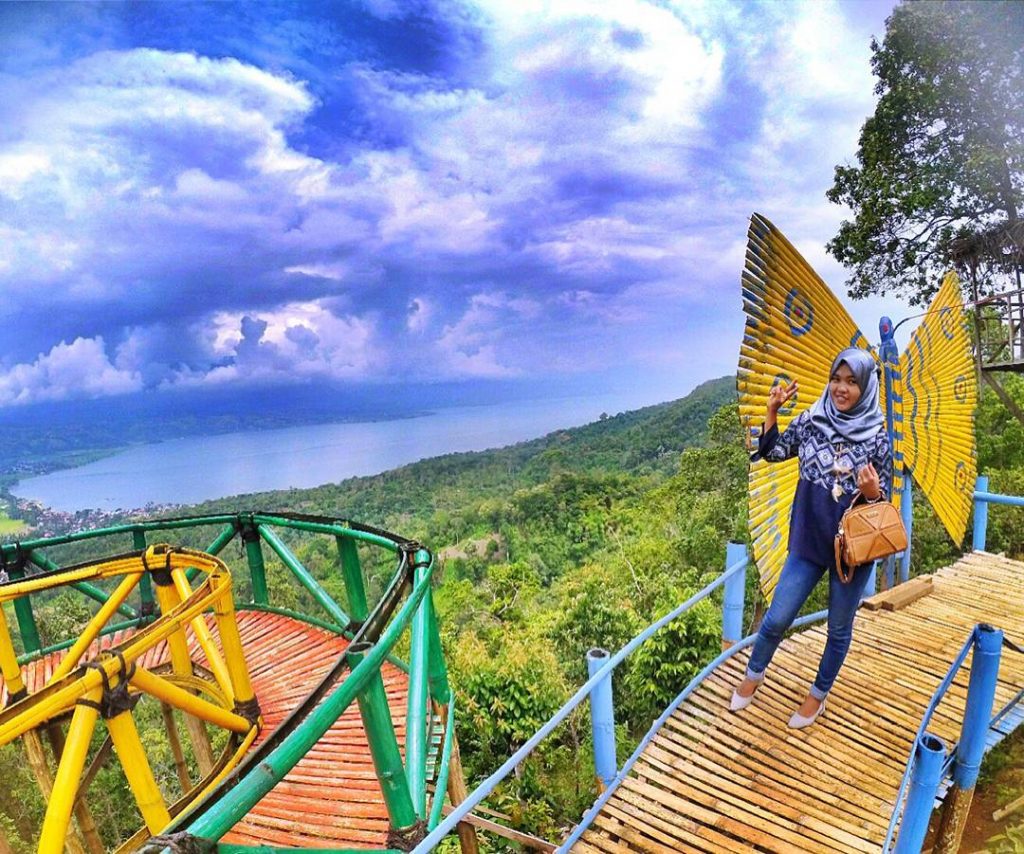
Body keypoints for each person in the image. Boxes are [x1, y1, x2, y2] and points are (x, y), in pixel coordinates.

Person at [731, 347, 891, 728]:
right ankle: (753, 675)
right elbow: (774, 452)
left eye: (851, 382)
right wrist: (772, 411)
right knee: (776, 618)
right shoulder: (812, 420)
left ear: (866, 387)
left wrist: (872, 493)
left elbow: (884, 504)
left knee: (838, 629)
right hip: (808, 539)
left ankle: (817, 696)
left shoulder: (877, 440)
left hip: (852, 552)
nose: (841, 388)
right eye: (836, 379)